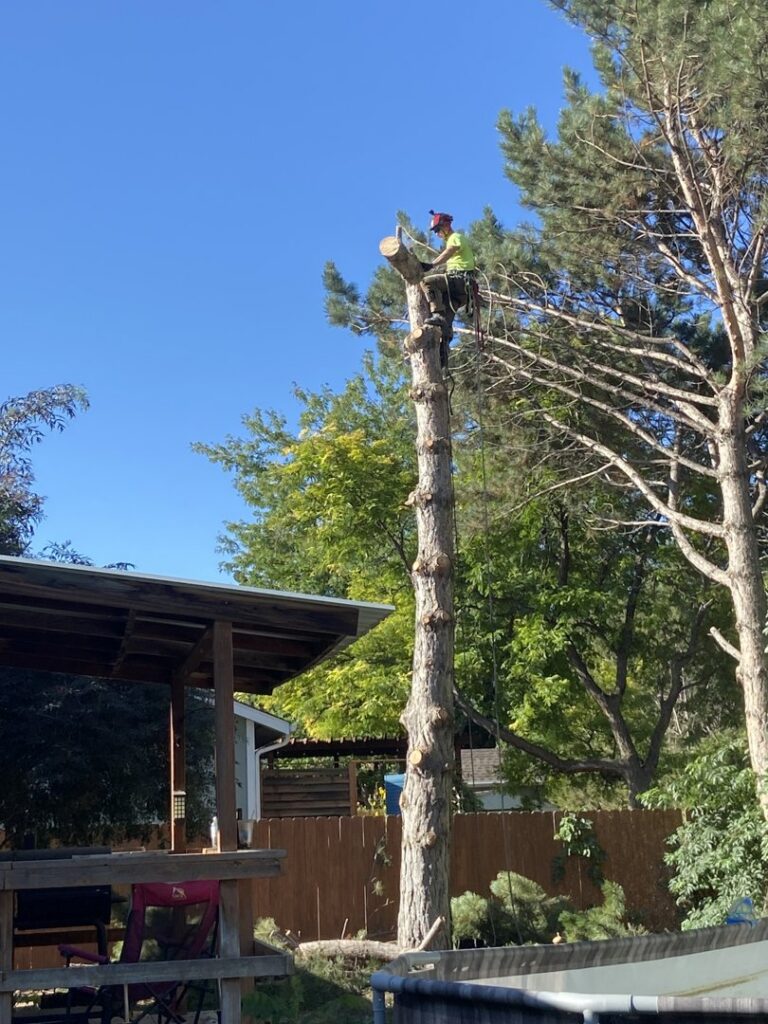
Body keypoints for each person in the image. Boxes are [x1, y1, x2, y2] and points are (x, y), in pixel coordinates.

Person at [421, 211, 477, 367]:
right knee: (445, 323)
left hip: (459, 280)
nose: (438, 234)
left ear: (446, 226)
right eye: (436, 231)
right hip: (459, 291)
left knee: (427, 282)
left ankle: (437, 315)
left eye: (438, 230)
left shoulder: (455, 237)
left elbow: (450, 250)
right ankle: (443, 354)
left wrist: (431, 265)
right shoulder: (450, 239)